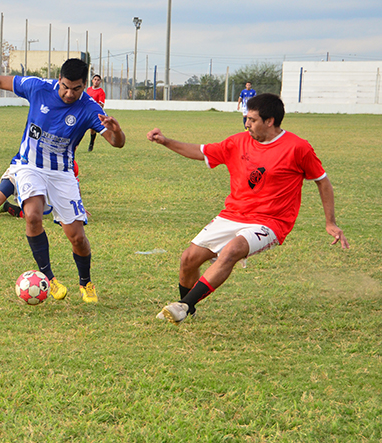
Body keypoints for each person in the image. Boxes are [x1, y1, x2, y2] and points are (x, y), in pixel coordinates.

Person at [146, 93, 349, 325]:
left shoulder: (297, 148)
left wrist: (330, 222)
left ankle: (183, 306)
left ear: (270, 121)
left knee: (232, 250)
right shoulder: (238, 142)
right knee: (188, 259)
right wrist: (166, 141)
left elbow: (322, 181)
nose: (247, 124)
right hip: (232, 215)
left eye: (252, 120)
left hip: (271, 222)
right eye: (246, 118)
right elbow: (202, 152)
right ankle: (187, 311)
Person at [0, 58, 126, 303]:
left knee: (76, 237)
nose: (69, 93)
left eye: (76, 89)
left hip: (62, 173)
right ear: (59, 79)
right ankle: (49, 277)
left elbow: (116, 142)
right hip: (29, 166)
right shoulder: (38, 87)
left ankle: (85, 282)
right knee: (33, 215)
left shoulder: (89, 108)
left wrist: (117, 130)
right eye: (65, 86)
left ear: (85, 85)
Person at [86, 74, 106, 151]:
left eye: (98, 80)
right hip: (87, 112)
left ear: (100, 82)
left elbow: (101, 104)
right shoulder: (89, 89)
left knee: (92, 129)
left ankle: (91, 143)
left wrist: (93, 107)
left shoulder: (101, 92)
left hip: (94, 113)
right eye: (95, 79)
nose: (96, 81)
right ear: (92, 80)